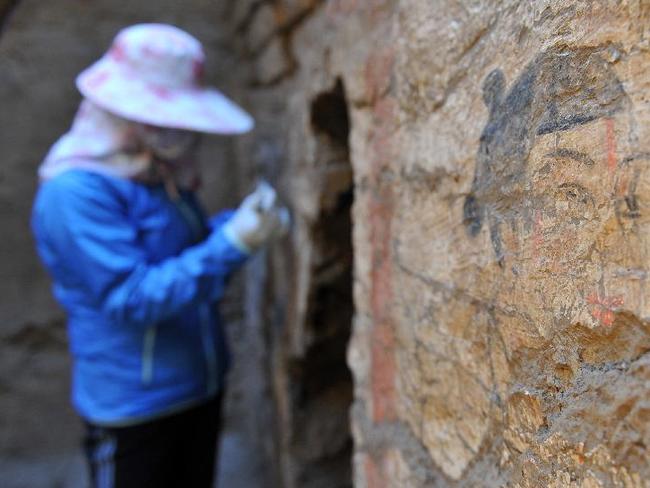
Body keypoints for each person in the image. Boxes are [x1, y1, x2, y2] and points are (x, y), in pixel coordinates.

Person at [31, 24, 288, 488]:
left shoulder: (152, 172)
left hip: (198, 387)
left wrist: (234, 226)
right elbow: (132, 297)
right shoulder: (75, 193)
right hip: (135, 408)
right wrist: (231, 246)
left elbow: (182, 253)